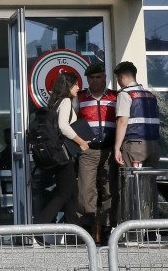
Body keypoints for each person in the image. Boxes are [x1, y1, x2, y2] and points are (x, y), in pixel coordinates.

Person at [34, 73, 87, 228]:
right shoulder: (65, 101)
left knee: (72, 193)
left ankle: (72, 231)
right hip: (63, 155)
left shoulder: (54, 102)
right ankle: (40, 225)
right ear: (68, 86)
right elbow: (64, 126)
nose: (78, 88)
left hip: (56, 155)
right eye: (76, 85)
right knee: (64, 194)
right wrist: (81, 141)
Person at [76, 62, 118, 238]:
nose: (94, 80)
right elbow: (71, 123)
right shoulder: (79, 98)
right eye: (91, 78)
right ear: (87, 79)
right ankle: (88, 230)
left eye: (98, 77)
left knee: (109, 189)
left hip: (109, 149)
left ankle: (108, 229)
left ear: (105, 78)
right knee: (86, 191)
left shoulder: (116, 97)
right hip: (88, 151)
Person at [113, 61, 162, 168]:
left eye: (117, 78)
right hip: (154, 145)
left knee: (132, 181)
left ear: (121, 77)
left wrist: (117, 148)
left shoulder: (125, 94)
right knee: (149, 182)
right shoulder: (151, 95)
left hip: (134, 146)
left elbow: (122, 122)